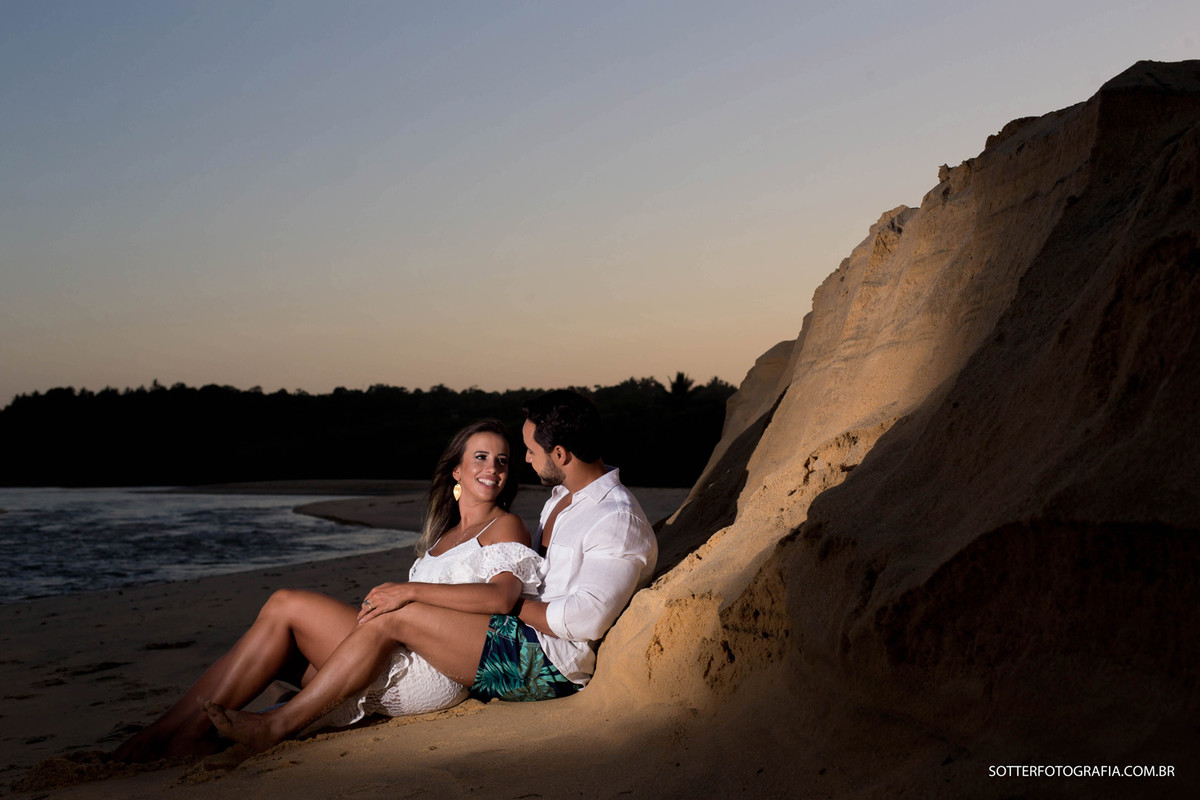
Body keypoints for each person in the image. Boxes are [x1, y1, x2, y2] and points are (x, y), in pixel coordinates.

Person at [199, 390, 657, 755]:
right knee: (334, 632)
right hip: (511, 635)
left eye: (529, 449)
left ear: (560, 453)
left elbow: (585, 621)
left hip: (545, 666)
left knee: (400, 614)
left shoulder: (614, 519)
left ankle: (276, 725)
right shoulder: (563, 497)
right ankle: (192, 728)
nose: (524, 458)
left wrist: (505, 605)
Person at [114, 419, 538, 762]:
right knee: (269, 642)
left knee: (285, 604)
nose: (493, 468)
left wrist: (410, 592)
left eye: (501, 461)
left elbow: (499, 599)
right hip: (393, 647)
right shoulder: (442, 536)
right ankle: (167, 732)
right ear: (457, 472)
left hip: (431, 670)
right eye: (480, 457)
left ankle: (184, 736)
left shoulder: (505, 524)